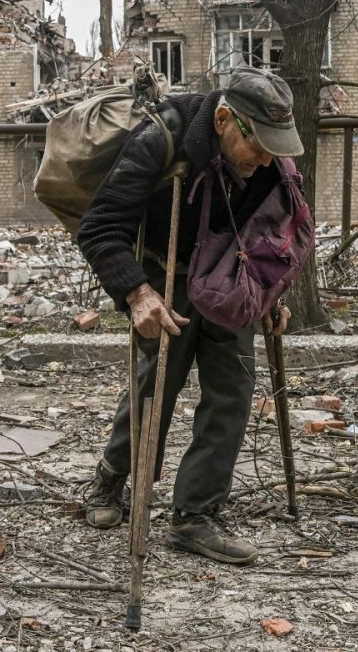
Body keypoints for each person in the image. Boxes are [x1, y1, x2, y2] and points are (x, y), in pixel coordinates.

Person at [75, 67, 303, 566]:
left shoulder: (268, 158)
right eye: (259, 145)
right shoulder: (161, 137)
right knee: (155, 385)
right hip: (166, 275)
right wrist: (137, 294)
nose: (267, 157)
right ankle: (112, 476)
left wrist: (270, 297)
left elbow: (271, 232)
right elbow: (101, 227)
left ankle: (195, 516)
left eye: (274, 145)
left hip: (229, 280)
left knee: (233, 393)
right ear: (224, 120)